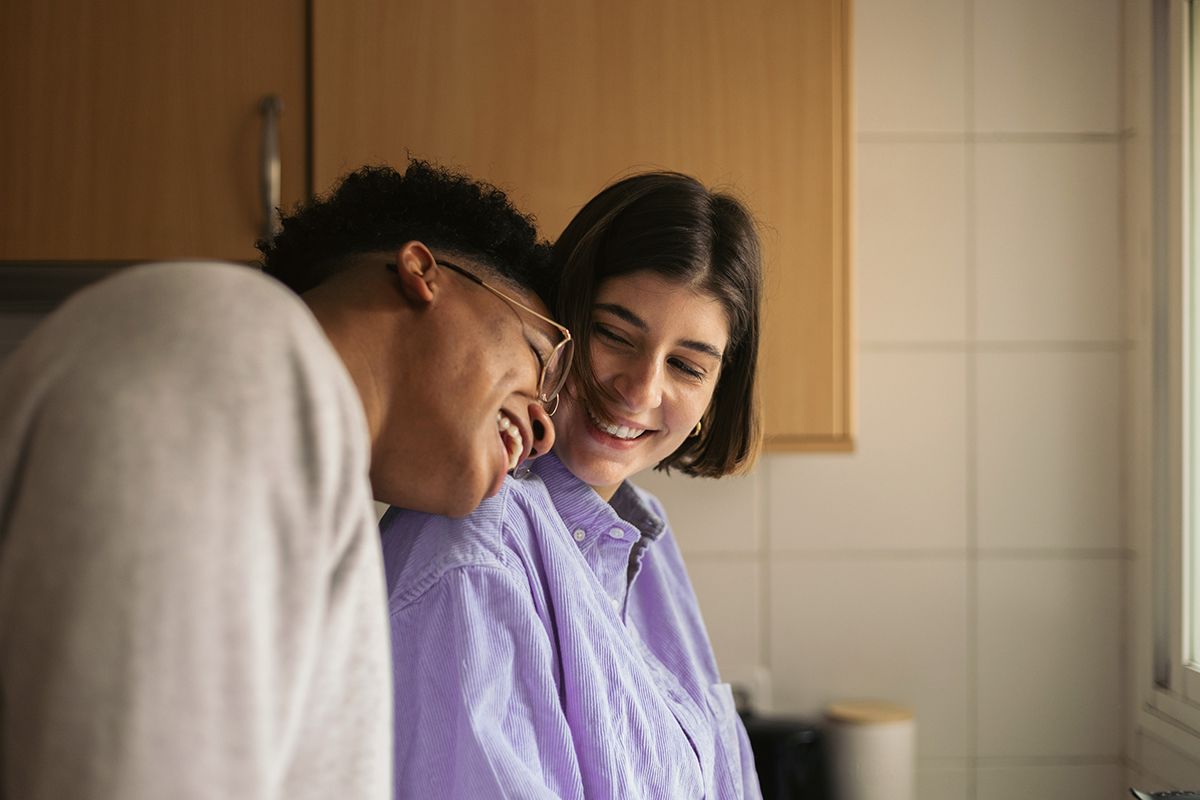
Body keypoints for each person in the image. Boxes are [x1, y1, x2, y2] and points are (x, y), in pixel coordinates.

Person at [0, 160, 569, 800]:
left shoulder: (308, 446)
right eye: (542, 356)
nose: (546, 426)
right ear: (423, 272)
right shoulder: (233, 350)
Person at [381, 171, 764, 798]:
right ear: (556, 315)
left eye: (687, 365)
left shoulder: (647, 540)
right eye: (613, 334)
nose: (640, 390)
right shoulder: (474, 549)